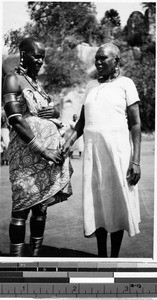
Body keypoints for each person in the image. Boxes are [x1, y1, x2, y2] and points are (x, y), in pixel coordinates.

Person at [62, 43, 141, 258]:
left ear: (116, 61)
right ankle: (100, 255)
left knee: (115, 204)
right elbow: (83, 122)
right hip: (92, 154)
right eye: (96, 58)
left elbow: (135, 124)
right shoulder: (90, 86)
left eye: (103, 58)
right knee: (97, 203)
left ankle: (113, 258)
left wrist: (136, 161)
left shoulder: (126, 84)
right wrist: (69, 142)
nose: (98, 62)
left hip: (117, 154)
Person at [3, 37, 73, 257]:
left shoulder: (37, 85)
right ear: (23, 54)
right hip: (27, 155)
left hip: (46, 160)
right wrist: (43, 149)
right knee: (21, 207)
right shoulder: (12, 79)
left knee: (40, 208)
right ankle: (17, 262)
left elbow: (48, 111)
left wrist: (55, 113)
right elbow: (15, 118)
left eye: (42, 56)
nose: (40, 60)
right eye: (36, 55)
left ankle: (35, 256)